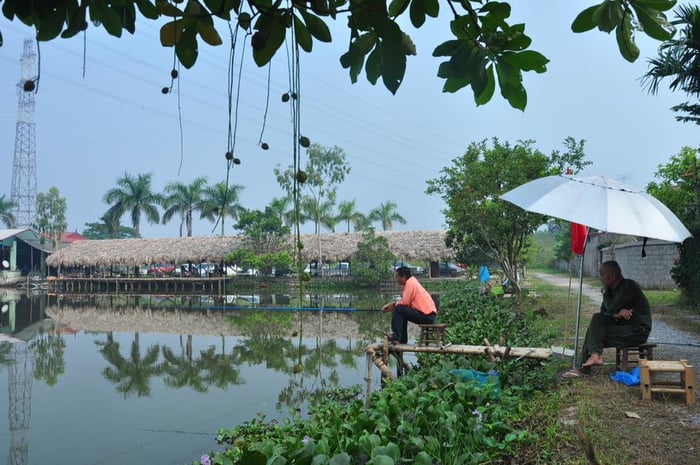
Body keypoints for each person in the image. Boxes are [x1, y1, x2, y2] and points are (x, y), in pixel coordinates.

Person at [562, 260, 652, 379]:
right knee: (597, 319)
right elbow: (604, 313)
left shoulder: (629, 286)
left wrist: (606, 295)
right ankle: (592, 357)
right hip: (624, 328)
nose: (600, 278)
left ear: (613, 275)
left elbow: (611, 307)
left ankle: (584, 367)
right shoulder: (611, 291)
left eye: (602, 274)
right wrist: (616, 315)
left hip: (638, 331)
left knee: (594, 334)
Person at [382, 266, 437, 344]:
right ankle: (401, 339)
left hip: (427, 317)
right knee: (401, 311)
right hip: (429, 316)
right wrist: (393, 305)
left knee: (399, 309)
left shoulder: (410, 283)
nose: (396, 279)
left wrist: (392, 305)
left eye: (397, 277)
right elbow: (406, 303)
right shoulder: (412, 281)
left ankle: (396, 337)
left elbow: (404, 302)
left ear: (404, 276)